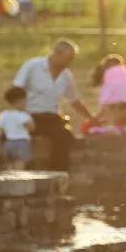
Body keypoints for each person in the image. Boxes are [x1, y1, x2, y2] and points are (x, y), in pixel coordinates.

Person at [11, 38, 98, 171]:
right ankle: (18, 170)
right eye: (67, 59)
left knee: (65, 136)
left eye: (71, 59)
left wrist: (91, 118)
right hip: (30, 115)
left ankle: (57, 173)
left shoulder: (66, 76)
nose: (68, 63)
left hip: (52, 118)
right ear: (56, 53)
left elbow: (74, 100)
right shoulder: (32, 66)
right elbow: (16, 91)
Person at [87, 54, 126, 134]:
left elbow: (105, 105)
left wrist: (93, 120)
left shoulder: (113, 81)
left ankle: (119, 128)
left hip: (122, 112)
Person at [0, 87, 34, 170]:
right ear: (20, 101)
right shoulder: (23, 115)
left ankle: (9, 179)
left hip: (9, 142)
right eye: (25, 100)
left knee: (9, 163)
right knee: (20, 162)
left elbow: (2, 128)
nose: (26, 103)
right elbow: (31, 128)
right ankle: (18, 178)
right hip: (21, 142)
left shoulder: (3, 114)